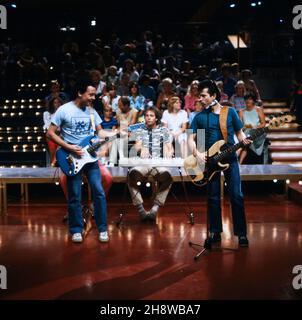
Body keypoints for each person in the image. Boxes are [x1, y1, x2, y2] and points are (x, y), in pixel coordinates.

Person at [47, 78, 116, 243]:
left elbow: (99, 133)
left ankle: (102, 228)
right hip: (71, 157)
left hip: (90, 158)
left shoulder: (92, 112)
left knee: (99, 192)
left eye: (94, 95)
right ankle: (76, 229)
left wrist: (117, 133)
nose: (93, 97)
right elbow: (50, 133)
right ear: (79, 93)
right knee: (75, 195)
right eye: (90, 94)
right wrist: (68, 147)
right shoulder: (64, 110)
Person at [188, 80, 252, 247]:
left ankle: (241, 234)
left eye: (203, 96)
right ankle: (215, 231)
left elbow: (239, 133)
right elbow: (190, 139)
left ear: (213, 96)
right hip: (210, 162)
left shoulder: (229, 112)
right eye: (199, 96)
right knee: (213, 197)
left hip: (230, 159)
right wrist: (198, 153)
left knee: (237, 196)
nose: (200, 99)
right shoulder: (200, 117)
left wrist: (244, 141)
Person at [128, 106, 174, 221]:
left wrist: (169, 152)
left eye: (151, 116)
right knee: (131, 176)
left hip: (159, 163)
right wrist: (141, 148)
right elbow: (137, 145)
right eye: (147, 116)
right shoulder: (140, 130)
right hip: (143, 163)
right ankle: (141, 209)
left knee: (168, 177)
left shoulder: (164, 130)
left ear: (157, 118)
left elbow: (170, 148)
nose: (148, 118)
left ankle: (155, 208)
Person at [238, 93, 266, 164]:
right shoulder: (241, 111)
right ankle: (239, 164)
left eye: (250, 99)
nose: (247, 101)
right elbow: (240, 126)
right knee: (247, 136)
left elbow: (263, 124)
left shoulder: (258, 109)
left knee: (247, 138)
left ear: (253, 101)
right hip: (246, 132)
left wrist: (255, 127)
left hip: (257, 132)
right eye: (246, 99)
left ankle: (239, 163)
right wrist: (243, 127)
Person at [43, 97, 63, 166]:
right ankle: (52, 166)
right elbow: (48, 125)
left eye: (59, 102)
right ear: (52, 104)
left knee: (59, 152)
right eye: (55, 102)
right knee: (52, 152)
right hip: (51, 135)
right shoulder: (47, 113)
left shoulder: (63, 114)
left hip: (61, 135)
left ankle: (58, 165)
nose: (57, 104)